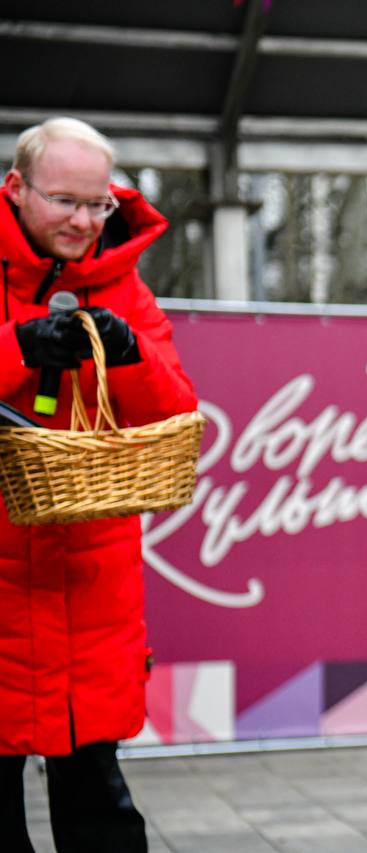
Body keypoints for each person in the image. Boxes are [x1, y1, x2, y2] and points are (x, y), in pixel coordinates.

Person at [0, 117, 198, 852]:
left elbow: (178, 406)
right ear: (16, 189)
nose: (84, 222)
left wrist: (126, 351)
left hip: (89, 591)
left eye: (98, 205)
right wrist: (18, 347)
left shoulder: (125, 284)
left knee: (100, 813)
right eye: (65, 202)